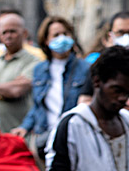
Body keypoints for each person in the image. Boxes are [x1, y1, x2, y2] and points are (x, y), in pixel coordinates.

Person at [11, 16, 90, 148]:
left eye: (65, 34)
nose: (62, 38)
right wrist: (25, 127)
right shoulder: (40, 70)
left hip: (74, 136)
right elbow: (38, 105)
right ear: (46, 40)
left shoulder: (85, 69)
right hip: (45, 136)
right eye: (56, 35)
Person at [78, 11, 129, 114]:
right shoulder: (100, 66)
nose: (126, 37)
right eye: (120, 33)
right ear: (111, 35)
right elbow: (83, 102)